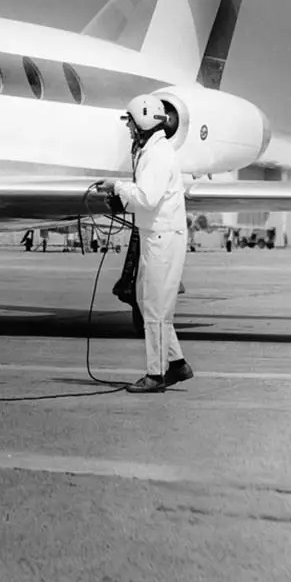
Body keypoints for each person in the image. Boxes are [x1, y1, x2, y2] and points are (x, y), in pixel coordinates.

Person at [98, 94, 193, 393]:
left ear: (142, 120)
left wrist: (119, 187)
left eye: (130, 123)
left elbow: (147, 198)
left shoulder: (157, 154)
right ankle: (177, 364)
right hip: (159, 235)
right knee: (150, 303)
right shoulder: (153, 150)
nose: (128, 130)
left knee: (154, 309)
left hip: (162, 238)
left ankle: (155, 375)